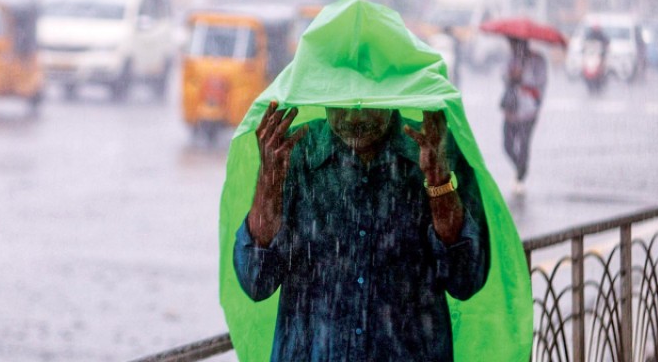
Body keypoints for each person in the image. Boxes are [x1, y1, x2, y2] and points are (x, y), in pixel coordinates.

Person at [233, 101, 489, 361]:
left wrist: (438, 182)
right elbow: (256, 281)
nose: (354, 116)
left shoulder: (433, 146)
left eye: (367, 103)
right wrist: (269, 181)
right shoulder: (293, 154)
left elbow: (466, 279)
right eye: (342, 102)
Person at [500, 37, 547, 194]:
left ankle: (520, 176)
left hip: (528, 110)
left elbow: (540, 82)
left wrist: (523, 77)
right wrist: (510, 76)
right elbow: (504, 76)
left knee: (524, 144)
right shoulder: (511, 58)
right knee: (507, 144)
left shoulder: (538, 60)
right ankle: (520, 167)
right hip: (511, 108)